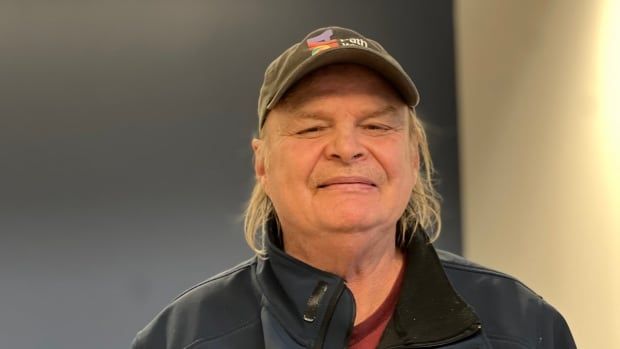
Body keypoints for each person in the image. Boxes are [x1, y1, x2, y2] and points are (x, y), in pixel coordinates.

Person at [131, 26, 576, 349]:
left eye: (377, 125)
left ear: (413, 157)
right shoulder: (183, 338)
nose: (347, 148)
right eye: (311, 128)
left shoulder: (521, 328)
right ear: (261, 162)